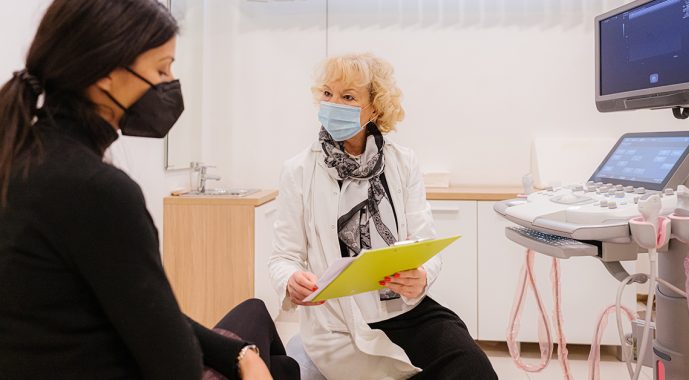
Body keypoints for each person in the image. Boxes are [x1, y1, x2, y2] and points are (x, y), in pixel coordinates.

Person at [0, 1, 298, 379]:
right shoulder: (95, 190)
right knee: (278, 361)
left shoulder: (22, 158)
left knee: (268, 346)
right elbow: (176, 364)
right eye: (162, 68)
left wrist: (240, 353)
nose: (169, 83)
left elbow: (136, 309)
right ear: (106, 72)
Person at [269, 53, 498, 379]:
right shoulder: (298, 171)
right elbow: (282, 257)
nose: (333, 104)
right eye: (328, 94)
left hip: (403, 309)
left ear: (374, 108)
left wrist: (421, 275)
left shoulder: (402, 162)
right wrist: (290, 281)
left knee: (473, 368)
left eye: (348, 97)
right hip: (339, 323)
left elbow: (425, 242)